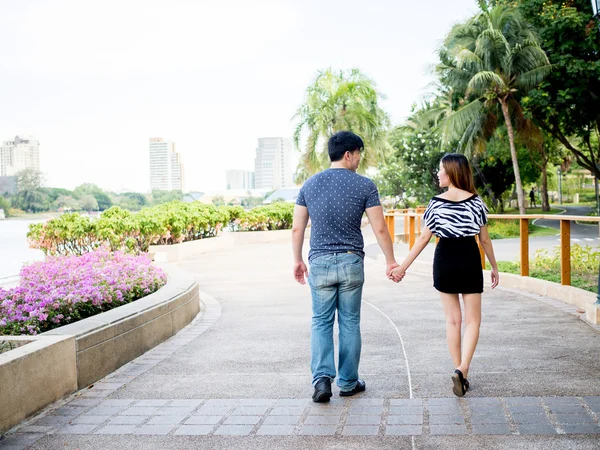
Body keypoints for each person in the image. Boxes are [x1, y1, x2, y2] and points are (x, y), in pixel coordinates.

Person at [292, 130, 401, 403]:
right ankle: (349, 382)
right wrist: (390, 261)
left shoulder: (309, 185)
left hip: (319, 262)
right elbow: (380, 228)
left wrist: (297, 260)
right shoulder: (365, 186)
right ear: (349, 154)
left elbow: (297, 228)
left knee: (321, 321)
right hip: (352, 260)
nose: (359, 160)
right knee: (350, 322)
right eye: (359, 154)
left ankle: (321, 381)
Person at [390, 153, 499, 397]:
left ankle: (458, 369)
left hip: (445, 259)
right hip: (469, 258)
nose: (437, 174)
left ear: (450, 173)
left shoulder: (436, 203)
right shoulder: (477, 203)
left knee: (452, 320)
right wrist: (494, 266)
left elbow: (423, 238)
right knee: (473, 321)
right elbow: (484, 240)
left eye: (440, 170)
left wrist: (402, 267)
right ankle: (463, 370)